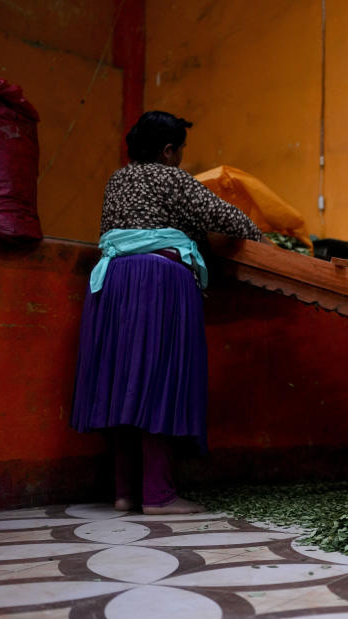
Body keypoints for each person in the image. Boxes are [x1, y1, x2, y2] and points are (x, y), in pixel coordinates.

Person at [71, 111, 264, 514]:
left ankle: (125, 493)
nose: (180, 159)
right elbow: (224, 217)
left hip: (112, 284)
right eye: (180, 152)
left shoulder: (117, 180)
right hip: (156, 283)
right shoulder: (171, 177)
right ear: (168, 150)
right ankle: (159, 495)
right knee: (157, 380)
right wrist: (261, 237)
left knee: (122, 383)